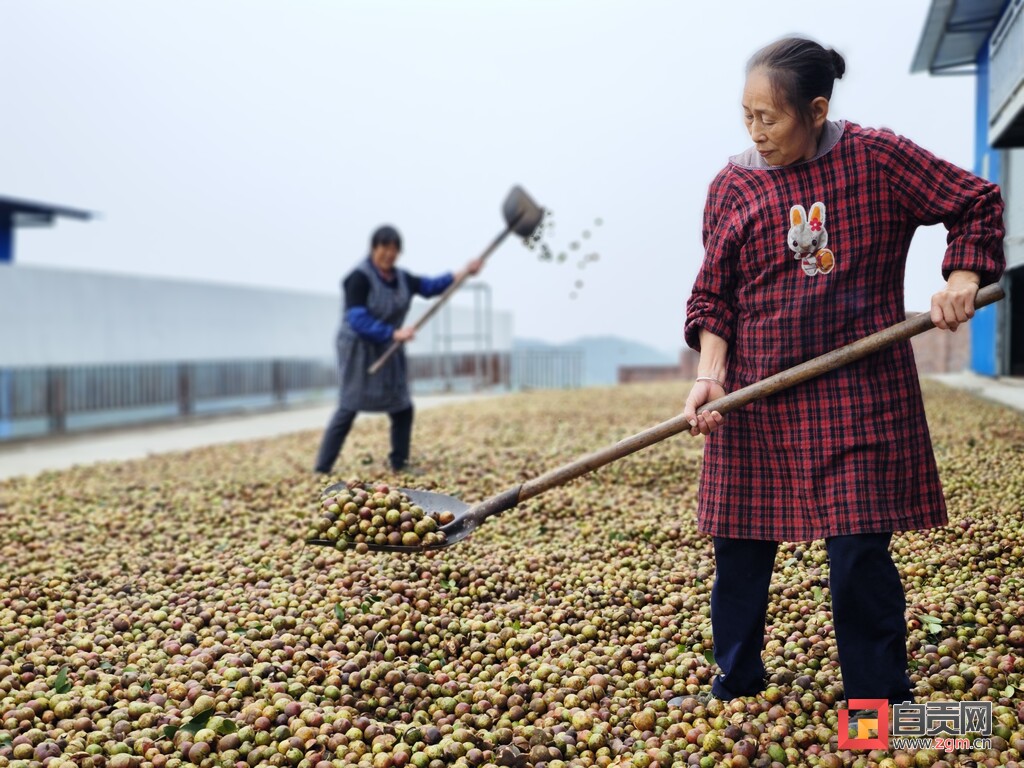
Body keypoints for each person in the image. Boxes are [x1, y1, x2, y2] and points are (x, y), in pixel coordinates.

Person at [680, 37, 1005, 710]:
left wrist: (963, 277)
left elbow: (976, 201)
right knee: (738, 551)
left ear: (817, 109)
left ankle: (879, 711)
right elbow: (713, 295)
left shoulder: (877, 159)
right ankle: (736, 682)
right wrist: (711, 375)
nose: (756, 131)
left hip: (857, 394)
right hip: (755, 397)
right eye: (747, 115)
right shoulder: (734, 185)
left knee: (857, 556)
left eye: (770, 116)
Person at [314, 225, 483, 474]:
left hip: (390, 345)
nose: (389, 254)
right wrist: (393, 333)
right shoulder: (358, 278)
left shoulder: (402, 278)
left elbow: (431, 286)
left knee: (402, 406)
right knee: (349, 405)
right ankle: (322, 467)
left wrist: (464, 272)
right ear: (374, 248)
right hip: (358, 349)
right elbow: (357, 319)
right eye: (385, 248)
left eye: (394, 250)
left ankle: (399, 463)